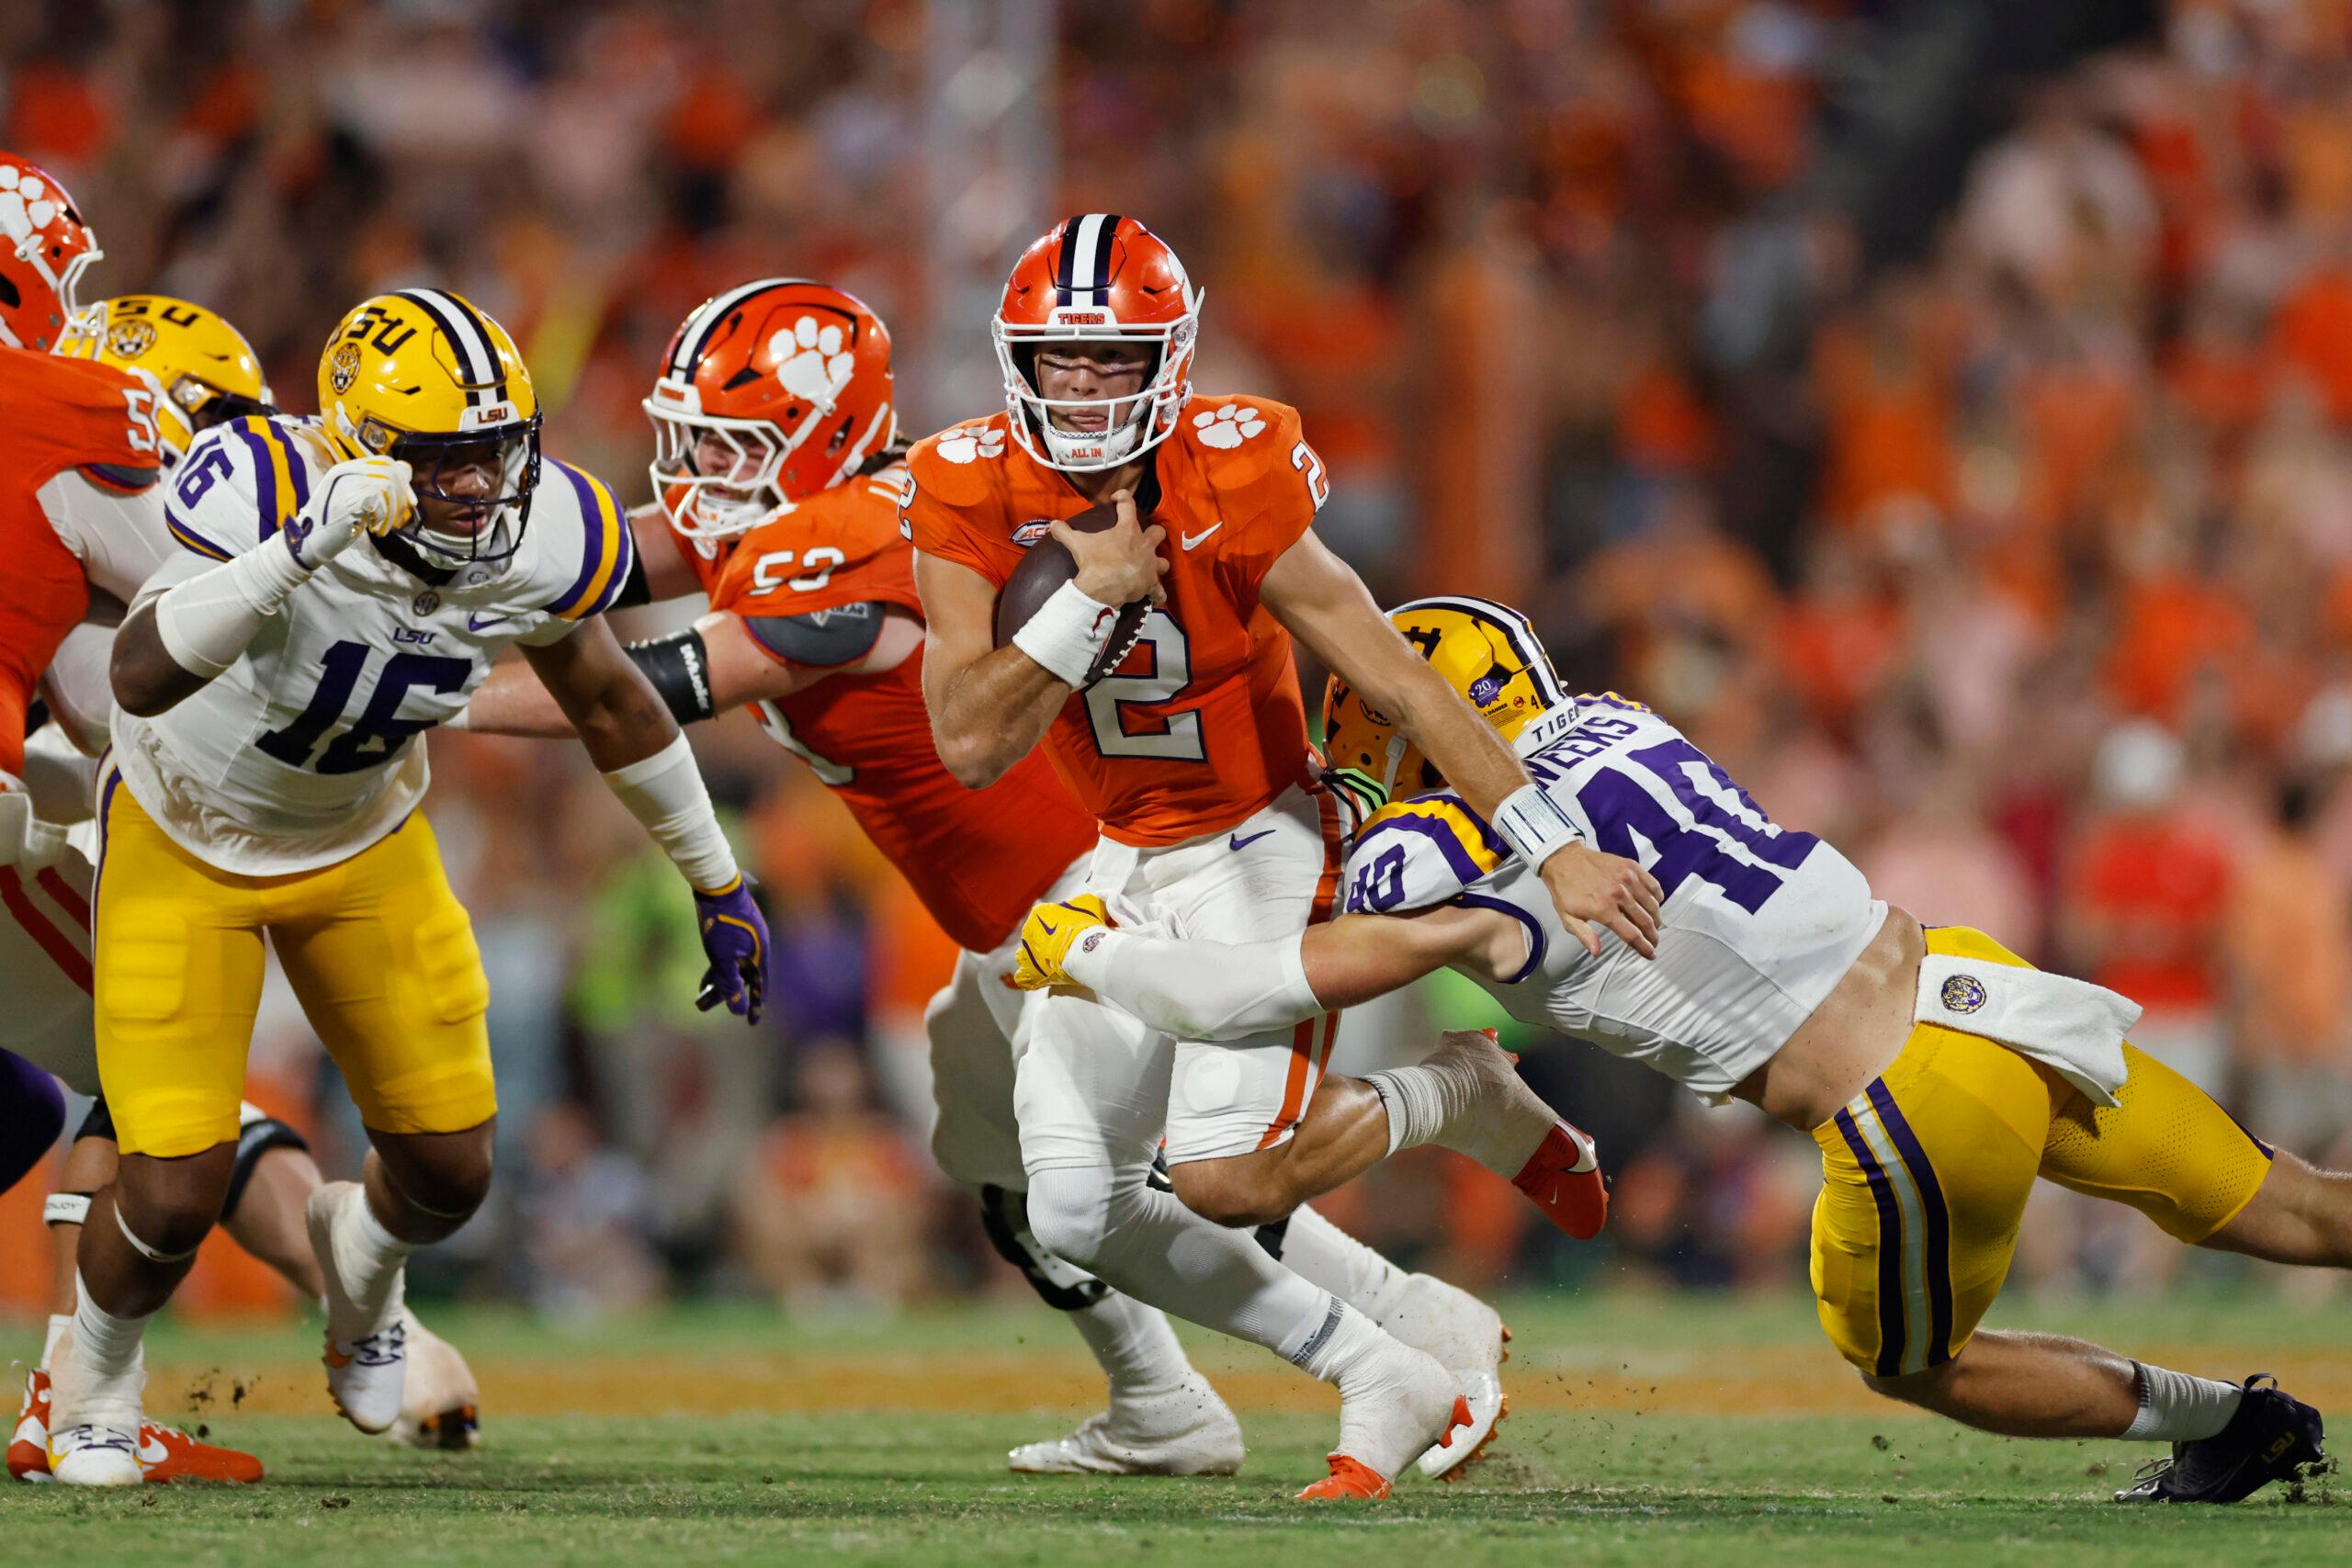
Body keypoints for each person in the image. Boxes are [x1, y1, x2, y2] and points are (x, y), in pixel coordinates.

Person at [455, 276, 1518, 1479]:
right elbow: (607, 553)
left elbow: (642, 692)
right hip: (1025, 918)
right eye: (695, 440)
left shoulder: (848, 540)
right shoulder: (804, 504)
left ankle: (1378, 1349)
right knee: (1027, 1175)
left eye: (730, 444)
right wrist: (441, 546)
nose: (699, 470)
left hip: (1099, 898)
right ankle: (1197, 1394)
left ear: (822, 436)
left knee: (1111, 1188)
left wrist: (417, 696)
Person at [1018, 593, 2336, 1506]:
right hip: (1975, 983)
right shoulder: (1621, 719)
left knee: (1912, 1362)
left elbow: (1264, 989)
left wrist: (1094, 952)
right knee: (2289, 1204)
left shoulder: (1431, 845)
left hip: (1902, 1098)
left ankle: (2232, 1423)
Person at [902, 215, 1663, 1499]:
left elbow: (1398, 677)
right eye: (1058, 358)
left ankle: (1453, 1099)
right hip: (1119, 854)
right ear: (1014, 359)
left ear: (1171, 357)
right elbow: (970, 742)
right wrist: (1088, 598)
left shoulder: (1235, 466)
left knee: (1220, 1179)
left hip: (1260, 838)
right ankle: (1390, 1354)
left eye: (1113, 358)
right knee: (1071, 1208)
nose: (1082, 386)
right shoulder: (965, 481)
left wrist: (1553, 849)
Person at [41, 288, 770, 1486]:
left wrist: (713, 874)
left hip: (363, 842)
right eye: (440, 459)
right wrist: (301, 548)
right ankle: (95, 1388)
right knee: (169, 1196)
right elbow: (140, 672)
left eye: (494, 451)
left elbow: (610, 701)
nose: (478, 486)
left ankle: (361, 1268)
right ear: (360, 445)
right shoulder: (262, 482)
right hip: (182, 837)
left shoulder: (544, 529)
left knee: (450, 1173)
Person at [0, 169, 483, 1478]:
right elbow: (120, 696)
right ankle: (74, 1399)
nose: (214, 458)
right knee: (146, 1084)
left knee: (106, 1096)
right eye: (203, 427)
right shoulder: (80, 455)